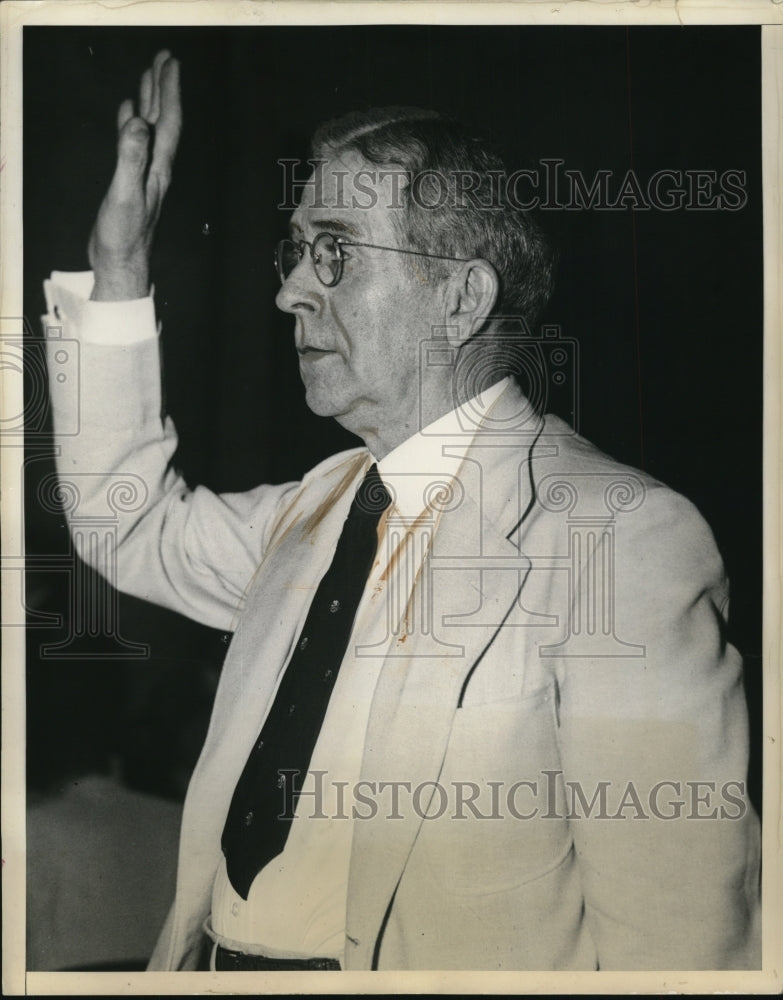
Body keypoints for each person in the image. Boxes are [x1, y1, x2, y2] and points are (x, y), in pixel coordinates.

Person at [44, 50, 760, 972]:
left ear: (460, 297)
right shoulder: (320, 507)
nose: (288, 290)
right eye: (295, 251)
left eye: (335, 252)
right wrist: (118, 266)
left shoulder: (617, 540)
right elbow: (126, 520)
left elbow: (679, 946)